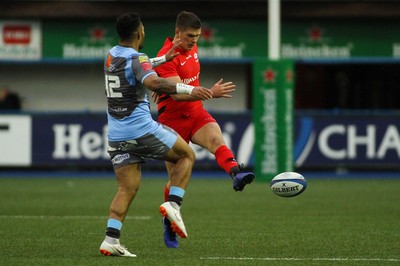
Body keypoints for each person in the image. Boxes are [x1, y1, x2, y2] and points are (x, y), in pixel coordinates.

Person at [99, 12, 213, 257]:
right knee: (186, 156)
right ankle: (174, 204)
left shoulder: (111, 55)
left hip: (117, 135)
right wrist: (190, 88)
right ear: (140, 32)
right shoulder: (138, 58)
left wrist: (162, 59)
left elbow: (136, 65)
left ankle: (110, 239)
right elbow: (154, 83)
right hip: (140, 129)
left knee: (127, 188)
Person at [153, 11, 255, 249]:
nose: (194, 41)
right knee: (176, 177)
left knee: (216, 140)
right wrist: (209, 92)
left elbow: (186, 84)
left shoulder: (193, 48)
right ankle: (169, 225)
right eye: (190, 36)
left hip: (196, 112)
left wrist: (201, 93)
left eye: (197, 36)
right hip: (172, 118)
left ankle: (235, 172)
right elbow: (178, 95)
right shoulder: (165, 56)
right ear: (178, 32)